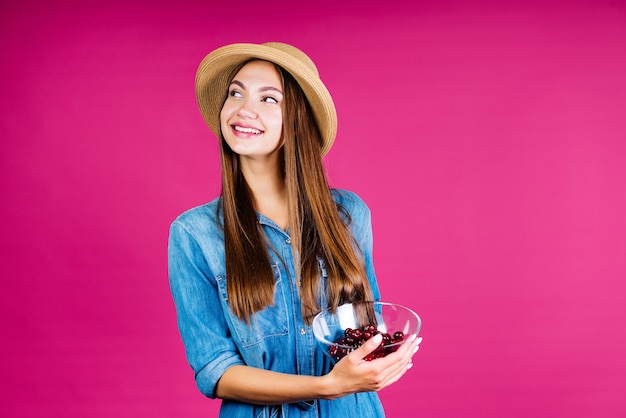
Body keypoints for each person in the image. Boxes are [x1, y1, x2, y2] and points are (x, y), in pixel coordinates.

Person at [168, 42, 422, 417]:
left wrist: (381, 358)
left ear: (297, 119)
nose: (243, 108)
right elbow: (214, 370)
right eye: (235, 93)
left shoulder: (349, 216)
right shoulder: (194, 234)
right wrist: (326, 386)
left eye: (268, 99)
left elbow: (366, 328)